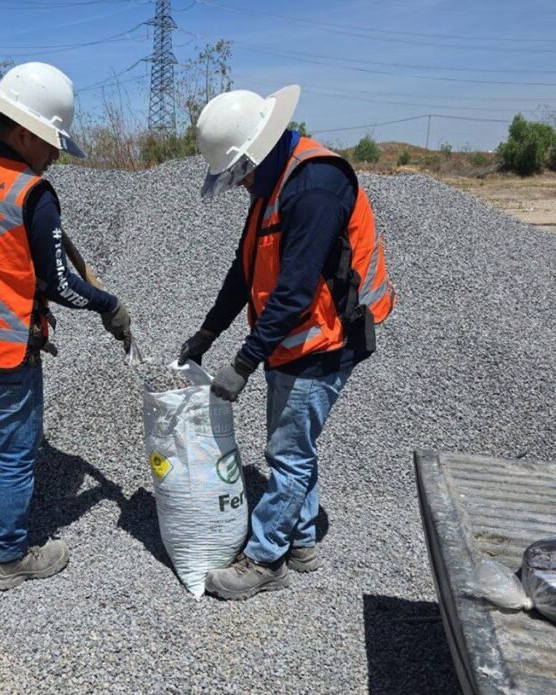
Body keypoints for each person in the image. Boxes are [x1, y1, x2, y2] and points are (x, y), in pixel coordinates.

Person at [0, 62, 131, 591]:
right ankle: (9, 556)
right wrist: (108, 305)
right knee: (13, 453)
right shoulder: (33, 195)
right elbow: (61, 283)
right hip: (1, 348)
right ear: (23, 131)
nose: (56, 154)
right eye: (52, 142)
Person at [178, 85, 395, 600]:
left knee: (288, 450)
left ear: (257, 150)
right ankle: (301, 540)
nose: (241, 184)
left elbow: (296, 289)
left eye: (240, 173)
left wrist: (244, 362)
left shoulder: (315, 187)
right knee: (295, 442)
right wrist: (210, 331)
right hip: (295, 337)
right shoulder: (274, 184)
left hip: (325, 340)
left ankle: (265, 558)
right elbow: (244, 267)